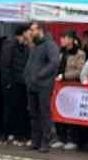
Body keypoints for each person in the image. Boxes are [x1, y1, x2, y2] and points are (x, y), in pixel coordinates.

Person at [24, 21, 60, 153]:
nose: (31, 32)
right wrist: (27, 76)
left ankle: (46, 142)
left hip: (44, 85)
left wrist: (40, 75)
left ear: (40, 30)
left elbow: (54, 62)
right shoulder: (35, 46)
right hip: (32, 85)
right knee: (33, 113)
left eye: (33, 30)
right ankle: (35, 141)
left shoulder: (50, 45)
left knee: (44, 113)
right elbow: (30, 63)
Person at [5, 26, 31, 145]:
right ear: (23, 33)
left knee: (22, 109)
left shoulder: (26, 46)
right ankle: (12, 133)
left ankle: (21, 134)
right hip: (14, 82)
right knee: (13, 108)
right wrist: (9, 82)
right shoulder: (10, 45)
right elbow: (6, 65)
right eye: (28, 31)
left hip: (23, 82)